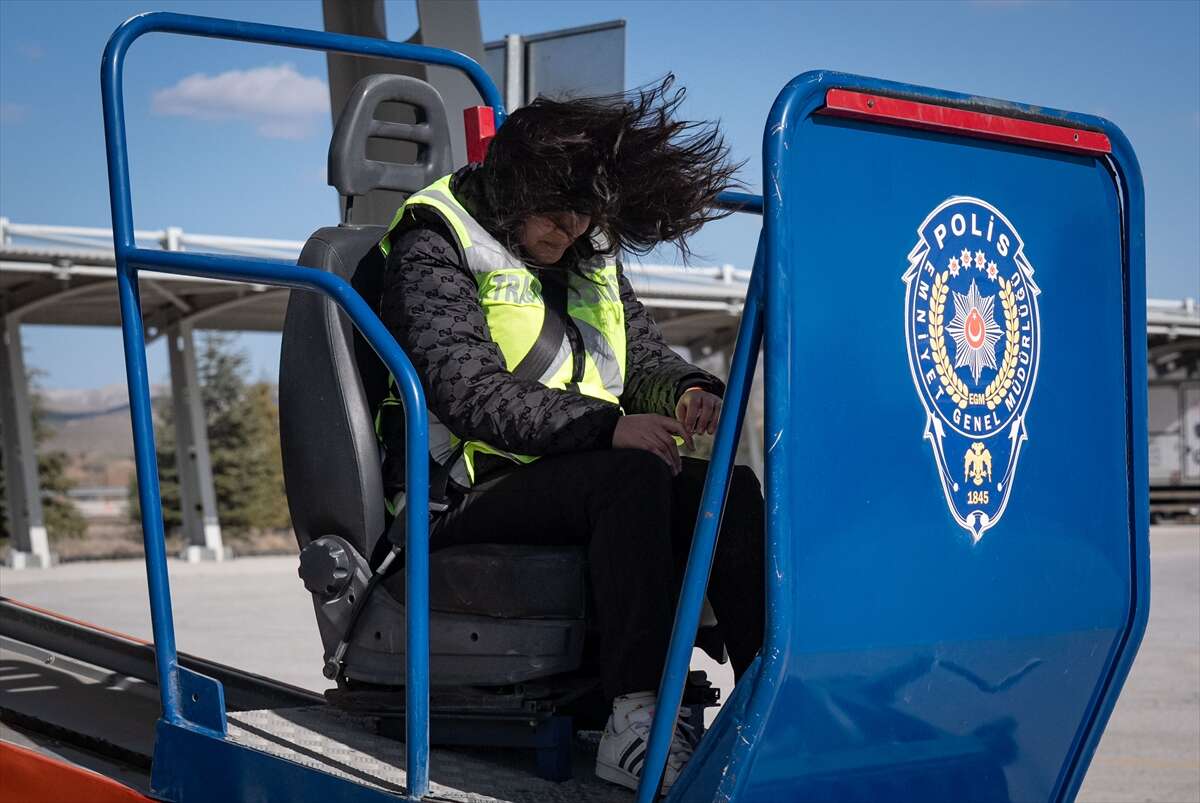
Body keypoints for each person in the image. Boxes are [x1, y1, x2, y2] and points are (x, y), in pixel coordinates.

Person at [376, 77, 765, 792]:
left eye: (584, 216)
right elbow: (468, 392)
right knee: (633, 475)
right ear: (512, 187)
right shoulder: (436, 240)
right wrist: (609, 428)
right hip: (466, 489)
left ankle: (768, 706)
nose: (571, 231)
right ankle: (638, 723)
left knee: (729, 489)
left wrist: (686, 390)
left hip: (575, 472)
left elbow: (640, 359)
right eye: (555, 215)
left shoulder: (588, 249)